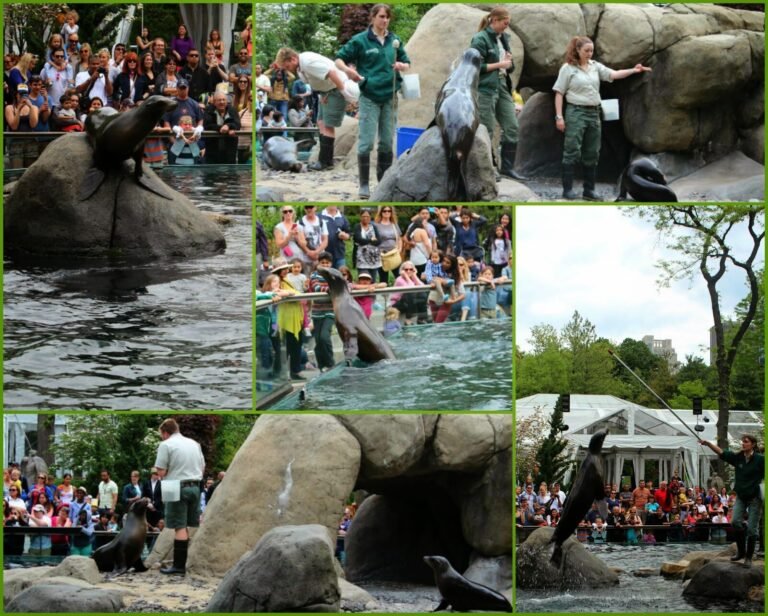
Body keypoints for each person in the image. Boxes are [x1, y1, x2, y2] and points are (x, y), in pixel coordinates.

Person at [553, 36, 652, 200]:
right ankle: (567, 190)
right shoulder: (568, 68)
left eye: (591, 51)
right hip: (576, 112)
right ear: (577, 50)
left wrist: (634, 70)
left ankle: (589, 191)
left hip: (594, 113)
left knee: (592, 151)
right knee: (572, 149)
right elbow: (559, 93)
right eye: (586, 51)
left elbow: (613, 74)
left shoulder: (595, 66)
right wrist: (559, 117)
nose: (589, 54)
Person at [335, 4, 410, 196]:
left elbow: (407, 62)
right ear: (373, 17)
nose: (385, 20)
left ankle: (383, 185)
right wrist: (348, 71)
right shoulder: (361, 40)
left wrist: (402, 65)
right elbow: (338, 59)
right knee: (366, 142)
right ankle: (364, 185)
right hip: (369, 95)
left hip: (390, 96)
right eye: (382, 16)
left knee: (386, 141)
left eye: (387, 17)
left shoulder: (395, 40)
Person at [273, 47, 360, 176]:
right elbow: (318, 81)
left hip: (336, 89)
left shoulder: (308, 62)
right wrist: (322, 94)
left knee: (328, 125)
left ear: (293, 59)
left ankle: (325, 161)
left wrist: (344, 93)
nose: (287, 70)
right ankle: (324, 159)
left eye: (287, 66)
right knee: (320, 122)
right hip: (326, 92)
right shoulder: (300, 67)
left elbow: (332, 73)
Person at [470, 6, 527, 181]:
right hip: (486, 88)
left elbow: (509, 67)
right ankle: (489, 169)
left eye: (508, 23)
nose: (506, 26)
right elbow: (474, 66)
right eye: (505, 23)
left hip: (502, 85)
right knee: (486, 130)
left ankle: (508, 168)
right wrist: (500, 65)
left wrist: (509, 63)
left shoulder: (503, 38)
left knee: (512, 126)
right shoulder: (480, 39)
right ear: (494, 20)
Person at [700, 435, 764, 567]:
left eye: (746, 442)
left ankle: (748, 558)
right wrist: (708, 444)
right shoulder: (738, 457)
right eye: (742, 442)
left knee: (752, 529)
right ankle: (741, 552)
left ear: (753, 444)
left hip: (755, 498)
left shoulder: (760, 459)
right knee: (735, 522)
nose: (743, 444)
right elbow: (721, 452)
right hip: (741, 496)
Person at [154, 418, 205, 575]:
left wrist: (168, 471)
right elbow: (202, 467)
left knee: (179, 526)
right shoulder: (194, 444)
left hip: (176, 487)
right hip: (195, 487)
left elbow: (161, 471)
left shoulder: (166, 444)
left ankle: (178, 567)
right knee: (186, 525)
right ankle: (180, 564)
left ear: (165, 432)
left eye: (161, 434)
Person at [309, 252, 336, 372]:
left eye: (327, 263)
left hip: (330, 311)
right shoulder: (314, 275)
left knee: (325, 337)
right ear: (318, 263)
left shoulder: (334, 274)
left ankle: (330, 363)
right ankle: (321, 366)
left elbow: (344, 284)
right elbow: (317, 288)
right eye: (322, 263)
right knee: (318, 340)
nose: (325, 265)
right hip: (317, 311)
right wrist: (331, 289)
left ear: (331, 263)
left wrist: (334, 289)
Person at [203, 91, 241, 164]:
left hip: (229, 151)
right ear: (214, 102)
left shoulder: (232, 110)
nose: (222, 102)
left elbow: (238, 124)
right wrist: (221, 128)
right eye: (219, 100)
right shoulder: (208, 110)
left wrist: (228, 126)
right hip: (212, 151)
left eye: (224, 100)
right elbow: (207, 125)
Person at [374, 206, 402, 285]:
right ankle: (385, 293)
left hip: (394, 253)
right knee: (383, 279)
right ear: (381, 212)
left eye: (389, 211)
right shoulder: (376, 225)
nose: (387, 212)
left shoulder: (394, 224)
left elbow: (399, 238)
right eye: (384, 211)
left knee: (399, 276)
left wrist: (399, 249)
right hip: (382, 255)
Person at [352, 208, 382, 281]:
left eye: (367, 216)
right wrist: (371, 239)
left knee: (373, 280)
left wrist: (366, 241)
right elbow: (358, 239)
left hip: (373, 259)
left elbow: (379, 241)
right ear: (360, 217)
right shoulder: (357, 226)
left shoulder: (373, 227)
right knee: (364, 279)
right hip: (361, 259)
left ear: (370, 217)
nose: (365, 218)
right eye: (363, 216)